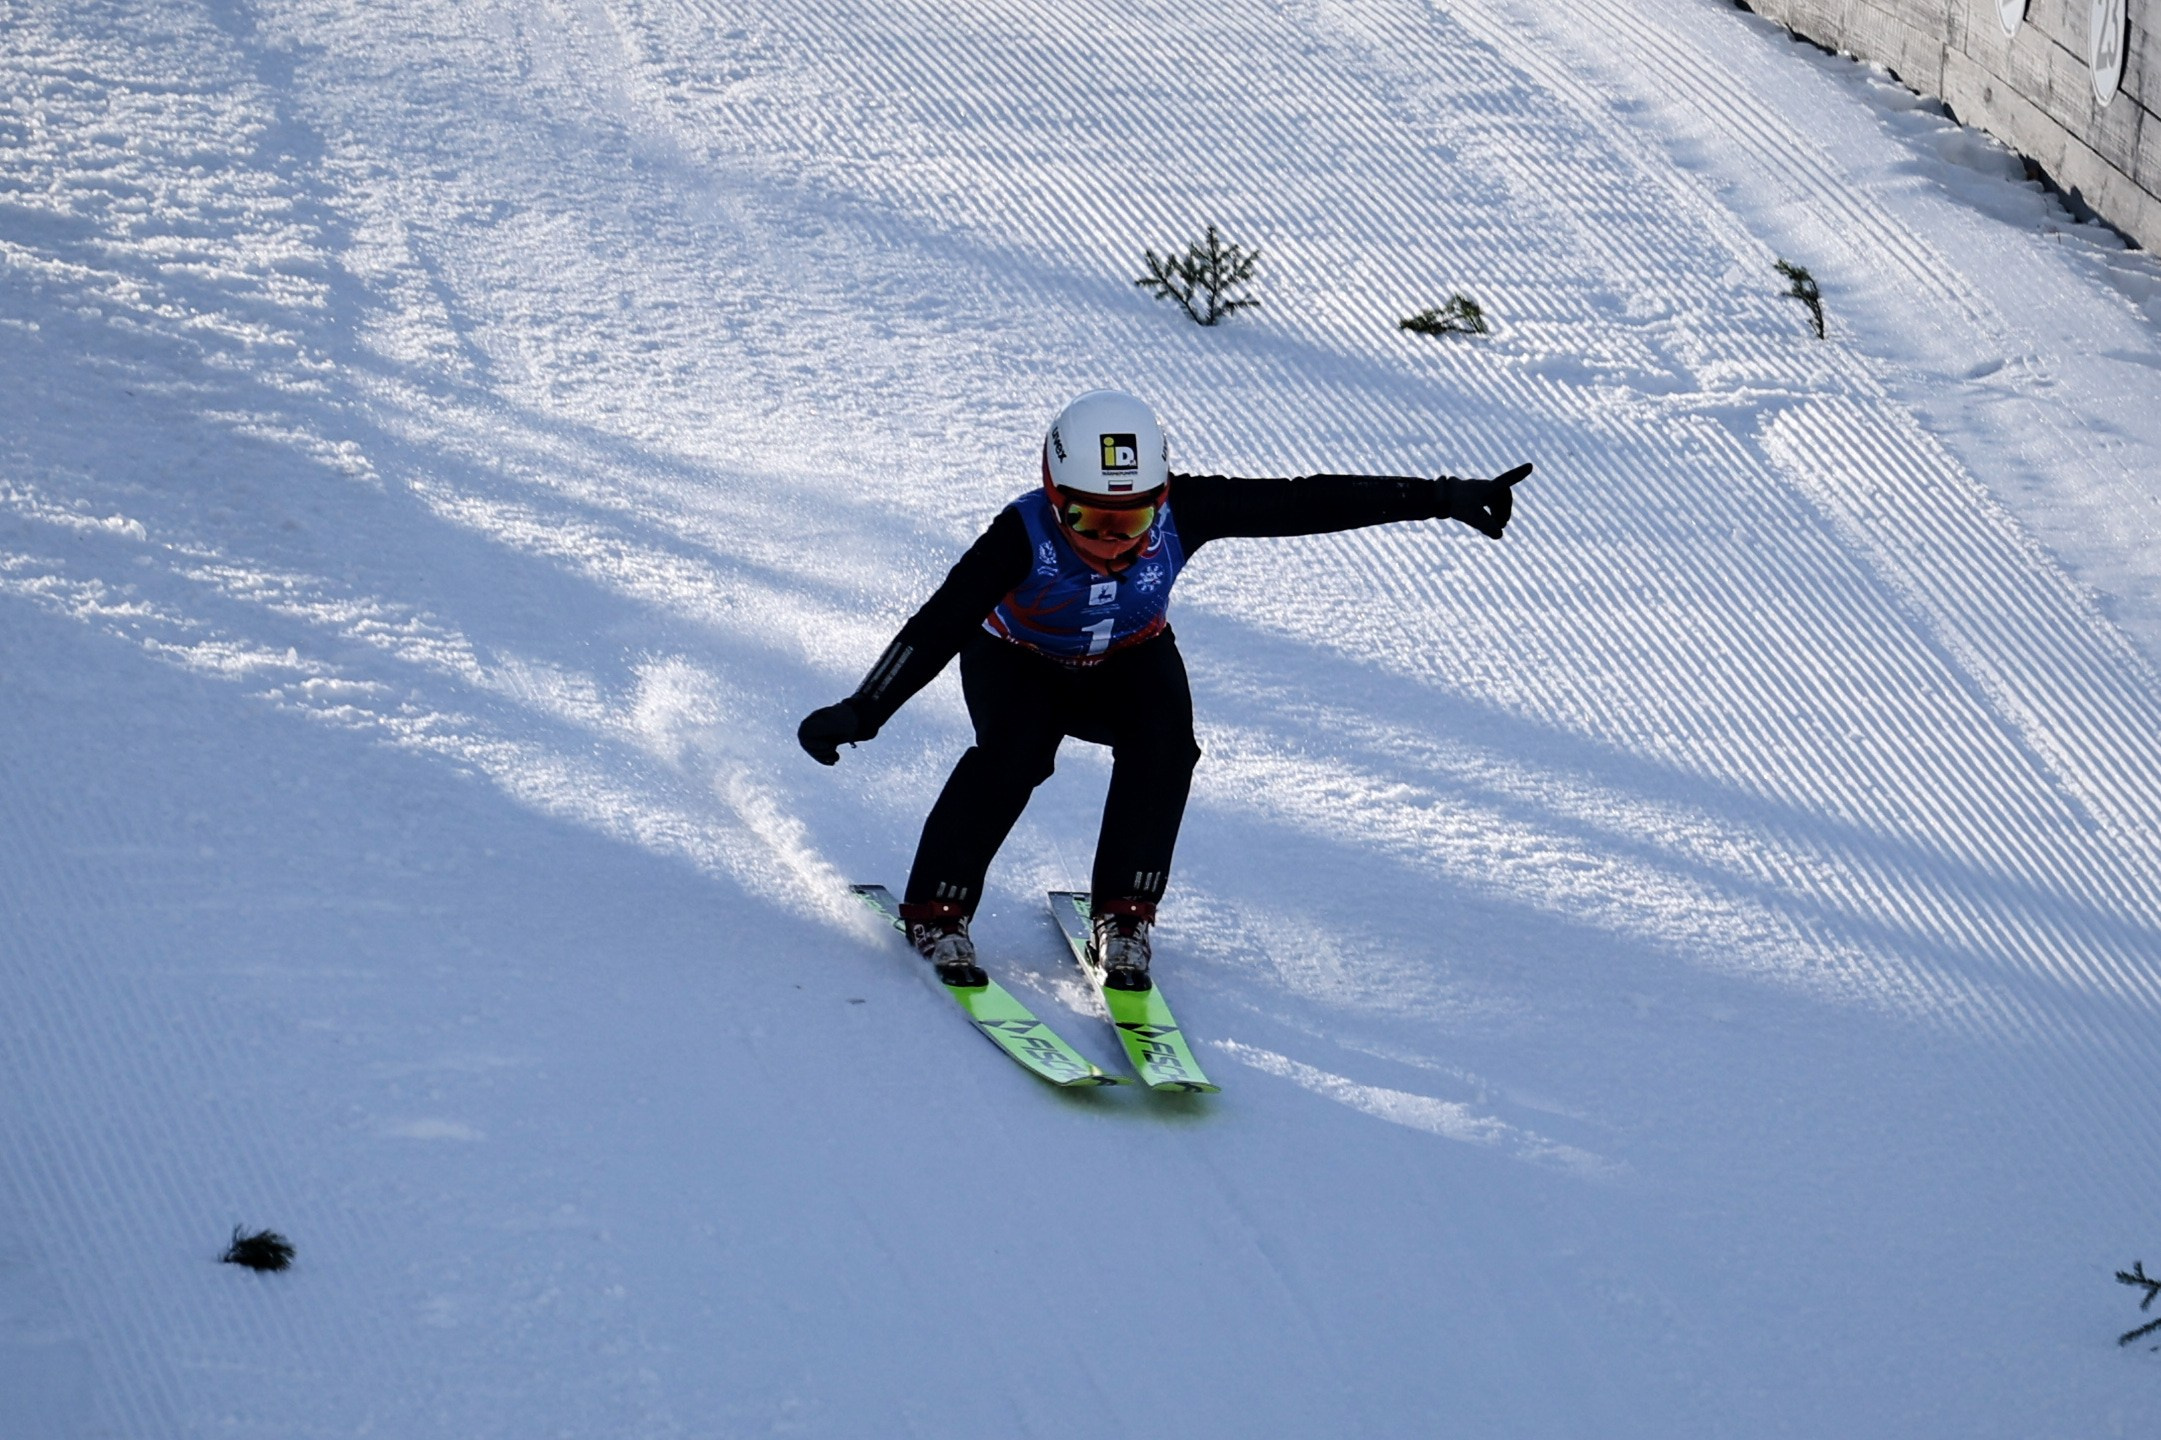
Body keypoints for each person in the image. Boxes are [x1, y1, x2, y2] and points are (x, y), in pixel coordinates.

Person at [798, 390, 1528, 991]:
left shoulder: (1187, 510)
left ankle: (1125, 915)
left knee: (1166, 748)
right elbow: (939, 624)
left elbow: (1306, 503)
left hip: (1129, 660)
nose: (1114, 540)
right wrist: (864, 709)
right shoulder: (1018, 534)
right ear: (1054, 496)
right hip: (1017, 662)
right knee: (1014, 755)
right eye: (1091, 518)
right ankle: (938, 910)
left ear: (1162, 498)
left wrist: (1444, 497)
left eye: (1134, 518)